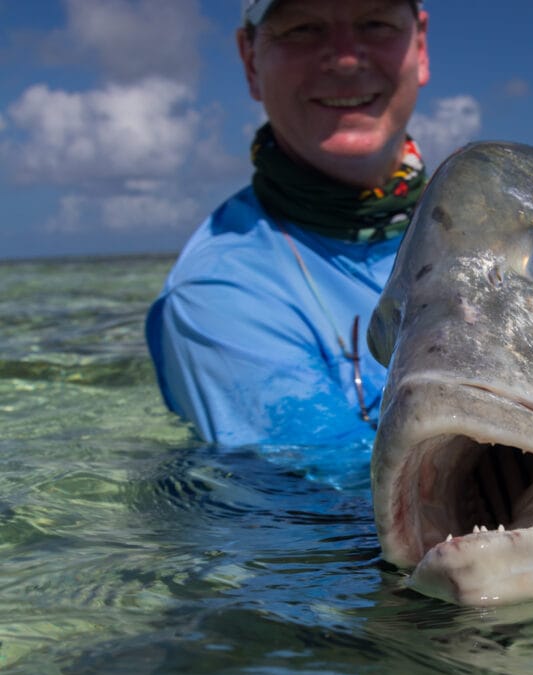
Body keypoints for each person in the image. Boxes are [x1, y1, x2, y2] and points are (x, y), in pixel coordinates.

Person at [145, 0, 430, 447]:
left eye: (375, 23)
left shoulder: (494, 223)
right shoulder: (216, 292)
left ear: (420, 46)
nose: (345, 58)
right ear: (250, 61)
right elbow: (343, 501)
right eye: (301, 28)